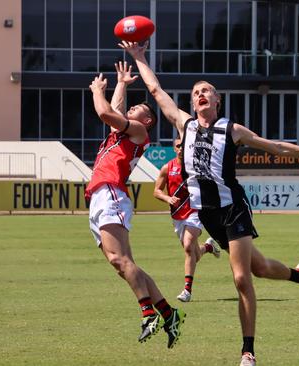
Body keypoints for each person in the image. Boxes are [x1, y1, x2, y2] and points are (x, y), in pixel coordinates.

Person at [122, 41, 299, 366]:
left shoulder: (231, 130)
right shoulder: (185, 125)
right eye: (196, 92)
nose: (200, 94)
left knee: (241, 278)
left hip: (233, 207)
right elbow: (154, 88)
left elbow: (276, 148)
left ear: (217, 100)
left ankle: (247, 351)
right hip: (208, 216)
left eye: (207, 90)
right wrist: (139, 57)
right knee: (260, 269)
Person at [86, 61, 185, 348]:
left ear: (148, 120)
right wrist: (121, 84)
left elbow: (105, 112)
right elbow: (115, 110)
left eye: (137, 108)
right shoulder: (120, 133)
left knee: (120, 260)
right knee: (124, 265)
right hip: (100, 196)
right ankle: (169, 314)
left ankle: (147, 314)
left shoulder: (139, 131)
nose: (131, 110)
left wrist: (96, 90)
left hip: (111, 193)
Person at [153, 137, 221, 302]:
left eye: (184, 145)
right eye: (178, 146)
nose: (181, 148)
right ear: (174, 149)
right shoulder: (167, 168)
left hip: (195, 211)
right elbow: (156, 191)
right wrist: (167, 198)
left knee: (189, 246)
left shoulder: (196, 165)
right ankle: (208, 247)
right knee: (194, 253)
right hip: (177, 215)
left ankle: (187, 290)